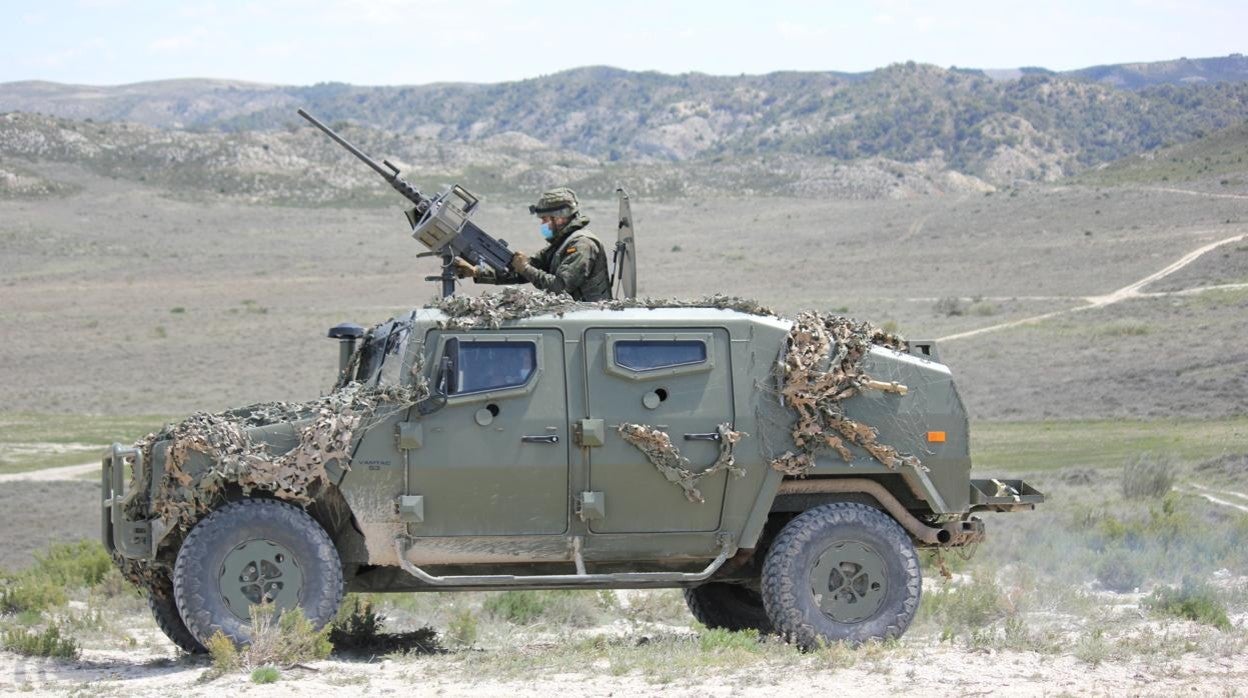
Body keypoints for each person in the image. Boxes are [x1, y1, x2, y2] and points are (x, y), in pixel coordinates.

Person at [454, 187, 612, 302]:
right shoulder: (560, 245)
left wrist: (526, 268)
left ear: (559, 218)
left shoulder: (581, 244)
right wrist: (476, 272)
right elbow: (522, 271)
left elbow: (560, 287)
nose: (542, 224)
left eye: (544, 219)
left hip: (590, 320)